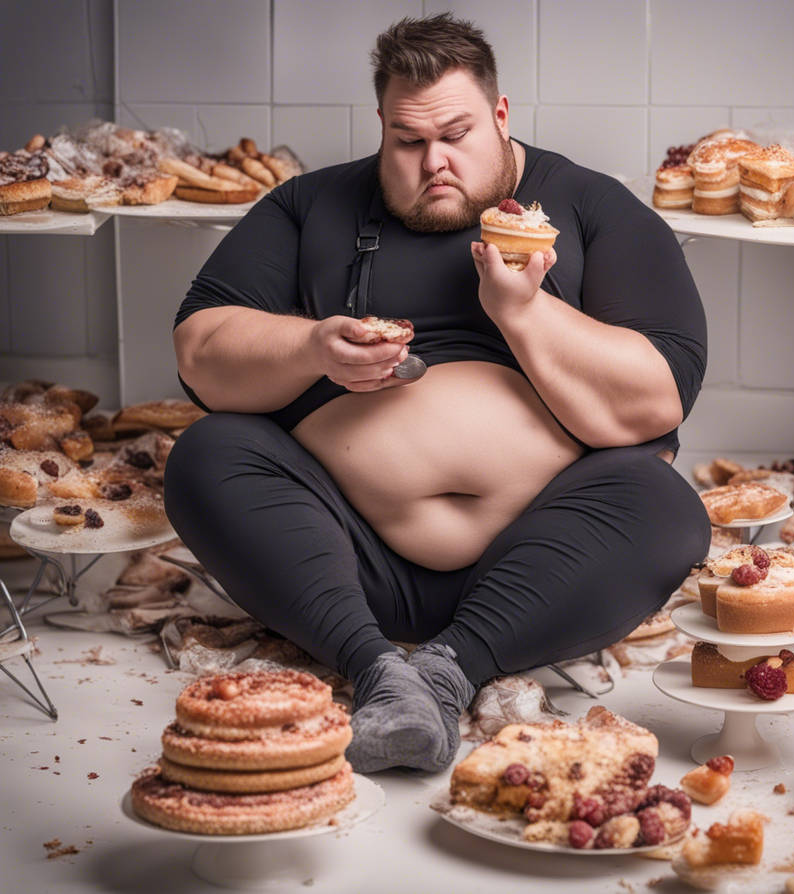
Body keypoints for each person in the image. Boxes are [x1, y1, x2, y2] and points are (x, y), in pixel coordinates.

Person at [164, 13, 711, 774]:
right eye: (409, 142)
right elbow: (200, 353)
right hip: (346, 562)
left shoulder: (591, 207)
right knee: (207, 455)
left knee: (663, 503)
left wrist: (523, 311)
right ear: (382, 126)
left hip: (543, 566)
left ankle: (449, 668)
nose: (434, 163)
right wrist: (312, 347)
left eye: (456, 135)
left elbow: (658, 398)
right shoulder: (311, 206)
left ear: (500, 114)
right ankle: (379, 670)